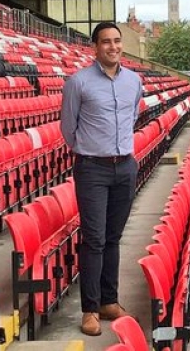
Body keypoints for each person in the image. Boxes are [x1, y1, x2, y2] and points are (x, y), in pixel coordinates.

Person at [60, 21, 143, 336]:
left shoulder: (134, 81)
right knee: (94, 239)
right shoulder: (78, 82)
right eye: (106, 41)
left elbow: (132, 114)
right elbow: (69, 127)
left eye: (117, 41)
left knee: (113, 237)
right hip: (93, 168)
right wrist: (91, 148)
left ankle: (110, 301)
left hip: (125, 166)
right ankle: (90, 309)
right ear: (95, 47)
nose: (113, 46)